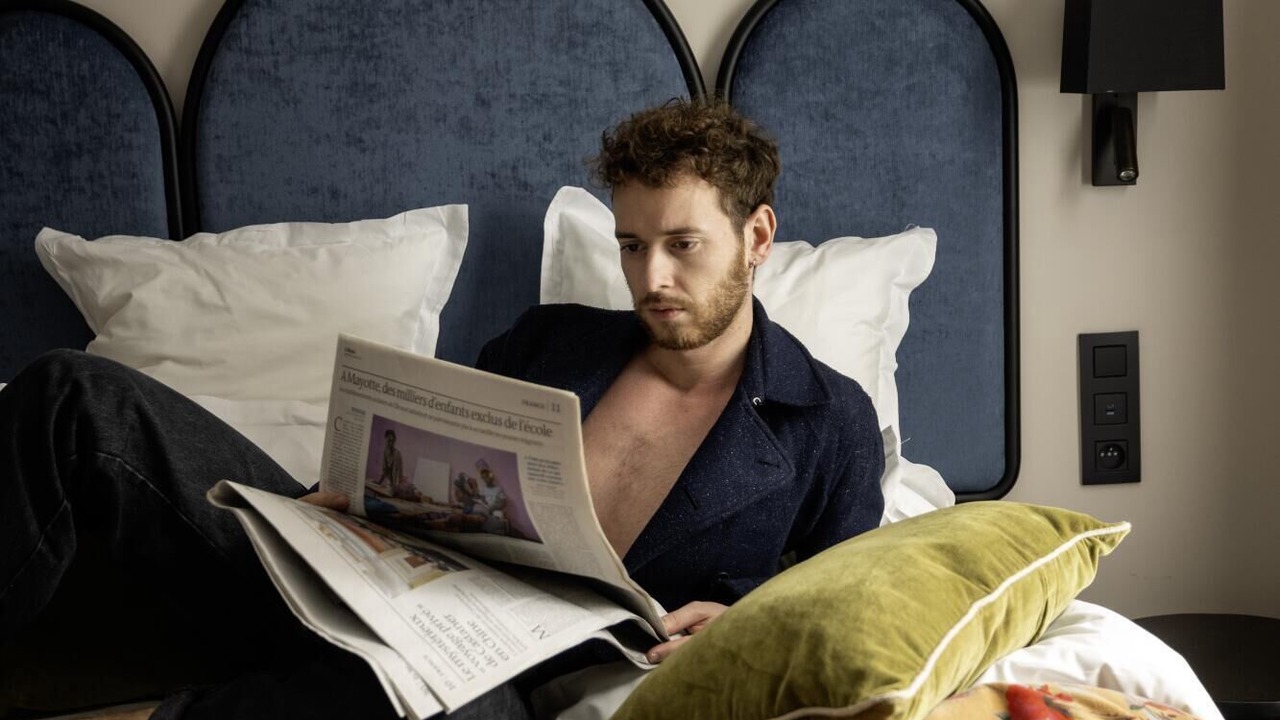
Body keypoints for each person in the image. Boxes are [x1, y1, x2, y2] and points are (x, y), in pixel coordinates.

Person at [0, 97, 882, 720]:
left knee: (429, 707)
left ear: (757, 237)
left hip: (487, 675)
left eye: (683, 245)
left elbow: (859, 613)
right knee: (74, 394)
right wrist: (327, 510)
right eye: (631, 244)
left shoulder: (826, 420)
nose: (650, 278)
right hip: (372, 583)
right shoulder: (550, 343)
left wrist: (745, 626)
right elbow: (427, 470)